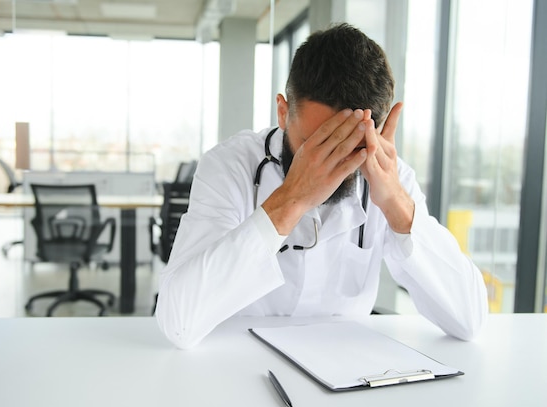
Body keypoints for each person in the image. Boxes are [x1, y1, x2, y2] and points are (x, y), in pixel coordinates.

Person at [155, 23, 488, 349]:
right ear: (283, 112)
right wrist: (291, 200)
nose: (333, 166)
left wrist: (397, 206)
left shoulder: (391, 177)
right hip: (242, 365)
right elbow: (178, 321)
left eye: (351, 147)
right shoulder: (229, 166)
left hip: (343, 372)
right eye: (316, 145)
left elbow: (470, 320)